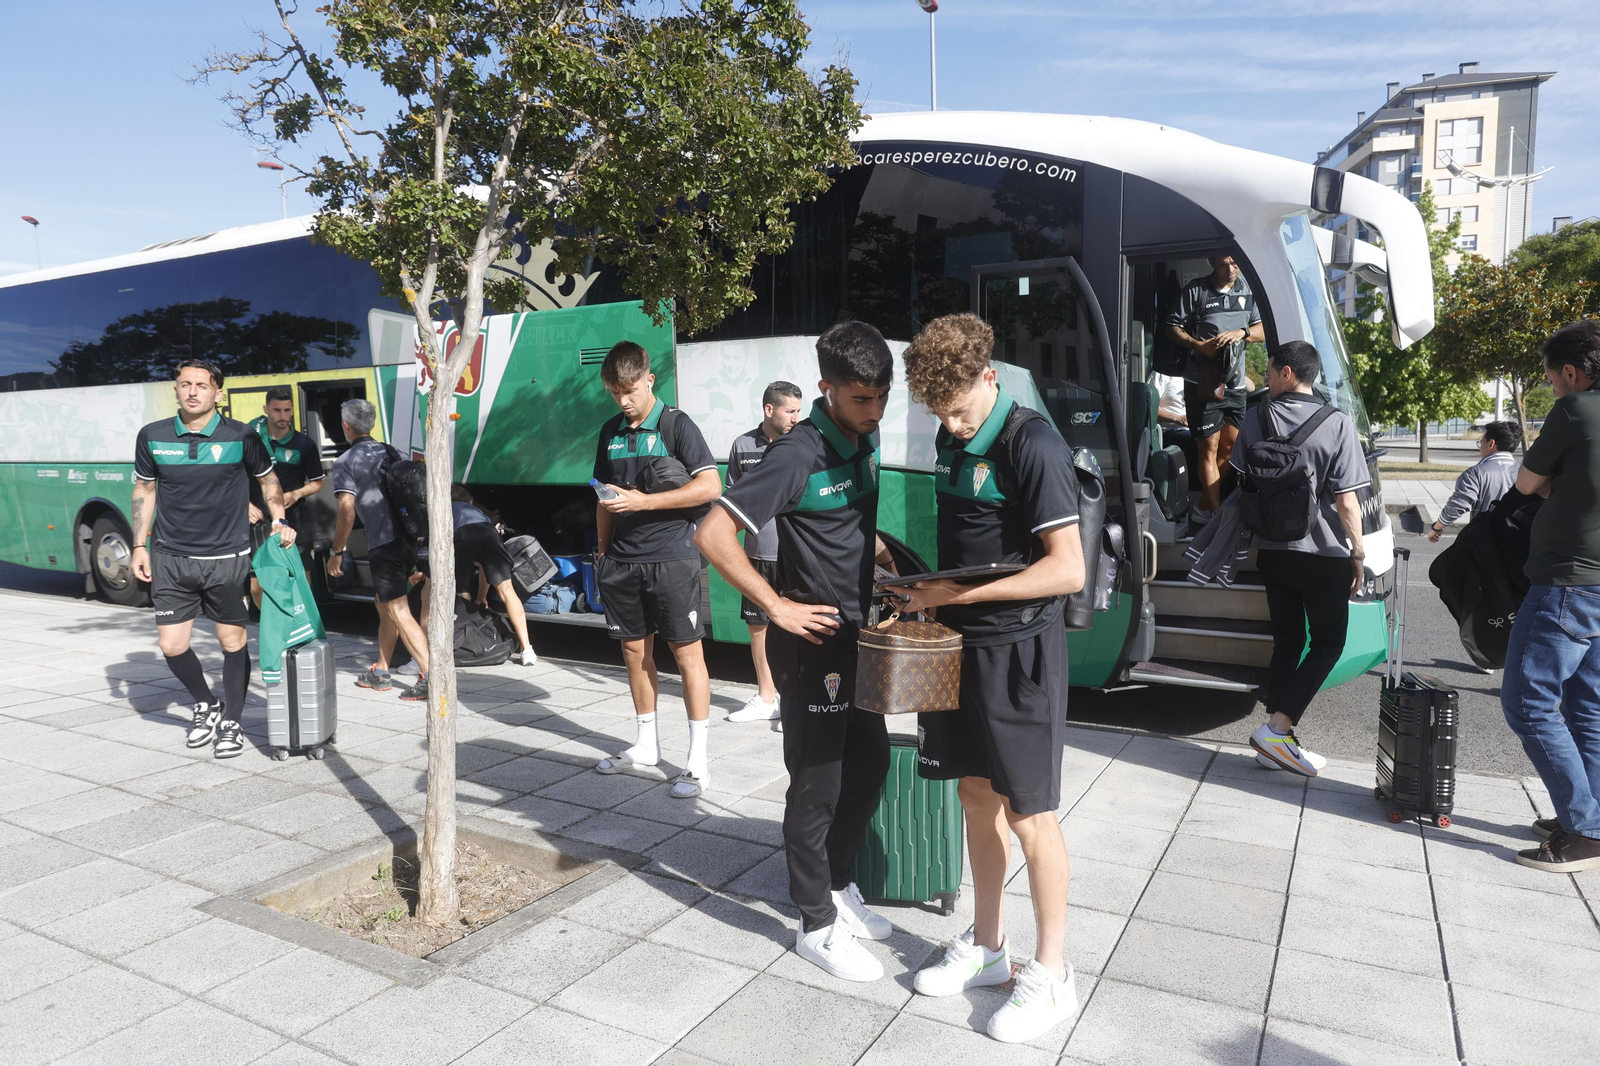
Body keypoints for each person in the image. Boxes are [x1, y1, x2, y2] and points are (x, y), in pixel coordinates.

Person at [897, 314, 1086, 1043]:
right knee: (976, 797)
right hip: (959, 648)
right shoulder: (953, 434)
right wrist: (920, 589)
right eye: (939, 413)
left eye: (960, 409)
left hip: (1019, 657)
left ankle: (1052, 973)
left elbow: (1065, 569)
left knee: (1028, 815)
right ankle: (986, 946)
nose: (950, 424)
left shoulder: (1032, 443)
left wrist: (960, 597)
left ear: (990, 377)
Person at [696, 321, 896, 984]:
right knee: (818, 784)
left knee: (869, 764)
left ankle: (838, 884)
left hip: (857, 634)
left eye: (882, 396)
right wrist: (776, 606)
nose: (876, 410)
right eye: (862, 399)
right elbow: (712, 534)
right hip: (810, 643)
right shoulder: (796, 453)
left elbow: (849, 525)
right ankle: (815, 922)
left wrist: (883, 560)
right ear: (826, 390)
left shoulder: (862, 438)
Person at [130, 359, 296, 759]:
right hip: (171, 557)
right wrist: (139, 544)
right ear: (175, 389)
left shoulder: (241, 436)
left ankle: (233, 721)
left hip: (227, 557)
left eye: (201, 385)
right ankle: (205, 703)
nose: (192, 392)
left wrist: (279, 519)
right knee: (171, 645)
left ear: (217, 392)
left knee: (231, 641)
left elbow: (268, 480)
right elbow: (145, 490)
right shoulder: (152, 436)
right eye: (185, 384)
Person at [591, 341, 722, 798]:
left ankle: (697, 760)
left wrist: (647, 502)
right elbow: (604, 495)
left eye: (629, 390)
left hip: (672, 557)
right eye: (615, 392)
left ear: (649, 379)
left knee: (687, 655)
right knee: (632, 652)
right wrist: (603, 549)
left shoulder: (676, 424)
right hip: (622, 560)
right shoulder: (609, 431)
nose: (623, 400)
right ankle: (646, 746)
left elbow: (710, 485)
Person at [1236, 341, 1369, 776]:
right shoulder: (1338, 423)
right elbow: (1348, 501)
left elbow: (1242, 481)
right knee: (1328, 643)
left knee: (1288, 642)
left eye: (1271, 371)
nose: (1268, 378)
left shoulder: (1254, 417)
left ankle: (1272, 743)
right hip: (1324, 554)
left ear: (1288, 372)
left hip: (1272, 552)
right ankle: (1278, 728)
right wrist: (1358, 552)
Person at [1500, 320, 1600, 873]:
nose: (1553, 388)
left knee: (1528, 702)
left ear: (1571, 371)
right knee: (1587, 706)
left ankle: (1584, 829)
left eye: (1553, 379)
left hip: (1567, 581)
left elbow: (1525, 483)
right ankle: (1589, 814)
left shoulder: (1576, 411)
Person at [326, 399, 430, 700]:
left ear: (346, 426)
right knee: (383, 603)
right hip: (408, 540)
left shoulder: (345, 461)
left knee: (397, 609)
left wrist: (337, 551)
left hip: (383, 543)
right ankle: (381, 670)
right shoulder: (390, 450)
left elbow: (347, 511)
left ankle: (431, 675)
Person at [725, 381, 805, 725]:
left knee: (795, 629)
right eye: (790, 411)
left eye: (799, 411)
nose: (796, 418)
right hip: (756, 556)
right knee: (758, 629)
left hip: (794, 554)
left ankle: (795, 704)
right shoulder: (742, 446)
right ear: (769, 409)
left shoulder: (802, 445)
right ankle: (766, 698)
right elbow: (730, 501)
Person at [1163, 256, 1263, 523]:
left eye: (1234, 264)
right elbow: (1171, 328)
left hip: (1236, 384)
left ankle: (1205, 506)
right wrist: (1198, 345)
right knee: (1208, 446)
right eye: (1222, 264)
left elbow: (1262, 329)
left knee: (1229, 448)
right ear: (1211, 263)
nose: (1230, 270)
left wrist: (1242, 333)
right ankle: (1218, 516)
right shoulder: (1196, 290)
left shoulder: (1247, 290)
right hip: (1204, 383)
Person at [247, 385, 325, 609]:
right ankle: (272, 629)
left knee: (301, 579)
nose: (283, 416)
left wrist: (296, 493)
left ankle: (304, 626)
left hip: (296, 519)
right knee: (257, 586)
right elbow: (233, 477)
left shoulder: (304, 444)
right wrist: (247, 505)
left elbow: (318, 483)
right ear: (266, 409)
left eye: (287, 410)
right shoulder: (252, 440)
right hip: (259, 522)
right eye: (277, 410)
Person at [451, 485, 536, 667]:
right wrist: (482, 596)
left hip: (461, 535)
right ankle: (527, 649)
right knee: (507, 590)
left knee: (461, 593)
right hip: (489, 534)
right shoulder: (479, 513)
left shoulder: (446, 508)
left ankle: (459, 645)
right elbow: (484, 565)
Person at [1428, 420, 1521, 541]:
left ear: (1491, 443)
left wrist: (1436, 528)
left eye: (1481, 441)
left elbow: (1458, 505)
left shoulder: (1475, 473)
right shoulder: (1524, 472)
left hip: (1486, 541)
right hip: (1519, 540)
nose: (1480, 446)